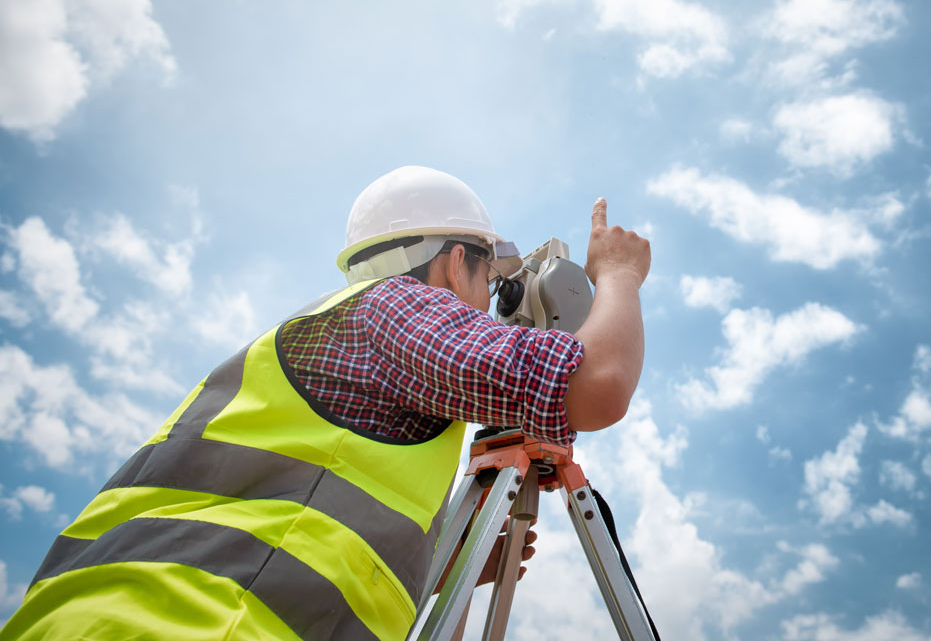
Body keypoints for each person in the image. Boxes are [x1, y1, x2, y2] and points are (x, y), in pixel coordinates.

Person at [0, 166, 650, 641]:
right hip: (211, 623)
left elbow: (289, 516)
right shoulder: (399, 308)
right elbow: (597, 386)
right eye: (488, 281)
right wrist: (618, 274)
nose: (488, 304)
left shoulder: (322, 338)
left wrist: (431, 570)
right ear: (457, 264)